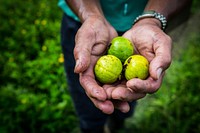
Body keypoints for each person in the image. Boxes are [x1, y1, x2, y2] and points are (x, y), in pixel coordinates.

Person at [58, 0, 192, 132]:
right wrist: (91, 16)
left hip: (141, 30)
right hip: (86, 25)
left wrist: (151, 20)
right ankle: (91, 126)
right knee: (86, 100)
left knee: (129, 93)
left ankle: (117, 124)